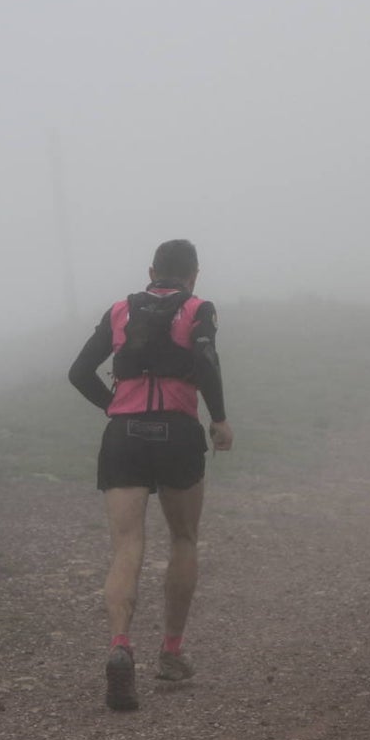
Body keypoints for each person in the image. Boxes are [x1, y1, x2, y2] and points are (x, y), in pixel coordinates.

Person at [68, 239, 233, 711]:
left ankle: (121, 645)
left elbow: (80, 371)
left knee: (127, 544)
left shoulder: (120, 310)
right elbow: (205, 359)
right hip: (178, 432)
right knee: (183, 538)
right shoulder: (199, 308)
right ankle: (171, 652)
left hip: (124, 435)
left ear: (151, 271)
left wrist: (115, 406)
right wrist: (218, 418)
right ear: (194, 275)